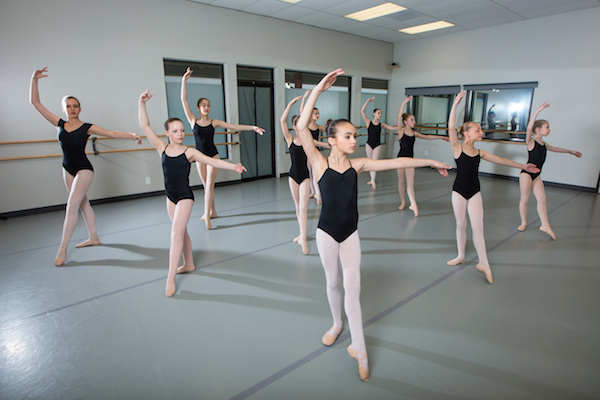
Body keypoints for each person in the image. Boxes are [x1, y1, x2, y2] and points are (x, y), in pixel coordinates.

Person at [297, 69, 450, 382]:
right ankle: (336, 324)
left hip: (350, 235)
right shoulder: (319, 163)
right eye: (348, 136)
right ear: (331, 140)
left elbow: (397, 162)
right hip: (326, 235)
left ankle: (359, 349)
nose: (355, 140)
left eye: (355, 135)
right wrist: (319, 90)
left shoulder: (359, 165)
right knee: (333, 283)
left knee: (354, 289)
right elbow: (300, 126)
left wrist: (430, 161)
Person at [29, 67, 142, 266]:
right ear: (64, 108)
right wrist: (34, 79)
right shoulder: (59, 124)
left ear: (80, 109)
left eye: (76, 106)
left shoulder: (87, 127)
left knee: (71, 206)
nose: (72, 109)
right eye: (69, 106)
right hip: (67, 168)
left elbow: (112, 133)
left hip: (83, 169)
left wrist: (131, 134)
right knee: (83, 204)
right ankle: (93, 237)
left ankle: (62, 249)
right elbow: (35, 103)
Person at [139, 90, 246, 297]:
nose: (180, 133)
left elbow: (212, 161)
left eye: (181, 130)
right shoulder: (161, 148)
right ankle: (188, 263)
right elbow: (145, 126)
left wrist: (233, 167)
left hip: (185, 197)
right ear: (167, 134)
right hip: (170, 197)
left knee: (176, 233)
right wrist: (141, 103)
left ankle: (170, 277)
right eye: (175, 131)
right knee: (181, 231)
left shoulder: (190, 152)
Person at [447, 90, 540, 284]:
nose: (481, 132)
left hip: (474, 192)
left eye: (481, 130)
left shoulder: (480, 152)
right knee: (461, 225)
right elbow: (450, 129)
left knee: (479, 227)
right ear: (466, 133)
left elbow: (503, 160)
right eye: (477, 130)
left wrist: (524, 166)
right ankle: (461, 255)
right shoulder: (457, 148)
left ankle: (484, 263)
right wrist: (455, 105)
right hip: (458, 192)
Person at [181, 67, 264, 229]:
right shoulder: (193, 121)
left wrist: (252, 127)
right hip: (199, 157)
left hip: (213, 157)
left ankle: (207, 215)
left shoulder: (214, 122)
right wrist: (184, 80)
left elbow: (233, 126)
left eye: (208, 105)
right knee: (206, 186)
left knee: (210, 185)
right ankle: (213, 211)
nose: (206, 107)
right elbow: (184, 101)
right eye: (203, 105)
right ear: (198, 108)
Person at [517, 102, 582, 239]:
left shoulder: (543, 144)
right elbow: (529, 129)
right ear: (538, 130)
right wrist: (538, 111)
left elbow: (556, 149)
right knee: (525, 198)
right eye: (547, 127)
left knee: (542, 199)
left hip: (537, 175)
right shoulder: (531, 142)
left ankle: (545, 225)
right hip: (526, 174)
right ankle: (523, 222)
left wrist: (570, 151)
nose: (549, 129)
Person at [280, 96, 330, 255]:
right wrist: (289, 104)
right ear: (295, 126)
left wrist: (332, 145)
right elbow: (282, 121)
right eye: (299, 123)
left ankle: (303, 239)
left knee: (303, 206)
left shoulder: (308, 140)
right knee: (297, 206)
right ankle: (302, 234)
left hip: (305, 176)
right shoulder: (290, 139)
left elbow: (321, 144)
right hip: (292, 176)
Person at [396, 95, 449, 216]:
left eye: (414, 119)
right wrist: (404, 103)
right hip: (399, 159)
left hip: (410, 160)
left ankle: (413, 203)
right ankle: (403, 202)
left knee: (410, 183)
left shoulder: (414, 133)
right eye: (412, 120)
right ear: (405, 122)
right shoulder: (401, 131)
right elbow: (398, 117)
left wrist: (442, 137)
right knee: (401, 181)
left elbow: (428, 137)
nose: (414, 121)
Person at [360, 96, 397, 190]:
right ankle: (371, 179)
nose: (380, 115)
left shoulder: (381, 125)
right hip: (369, 145)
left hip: (377, 145)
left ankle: (373, 180)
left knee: (375, 163)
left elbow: (392, 128)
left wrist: (401, 127)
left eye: (381, 113)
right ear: (374, 114)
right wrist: (367, 101)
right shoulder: (368, 123)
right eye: (378, 113)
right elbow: (362, 112)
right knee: (370, 162)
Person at [300, 89, 327, 203]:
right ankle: (313, 192)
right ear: (310, 115)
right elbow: (302, 112)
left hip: (314, 152)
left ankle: (319, 195)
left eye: (318, 114)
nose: (318, 115)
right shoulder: (306, 125)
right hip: (306, 151)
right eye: (316, 113)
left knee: (315, 173)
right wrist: (304, 98)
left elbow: (328, 130)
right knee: (310, 173)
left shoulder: (318, 126)